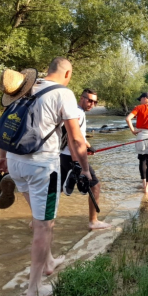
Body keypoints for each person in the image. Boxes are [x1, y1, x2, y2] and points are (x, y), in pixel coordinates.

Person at [0, 57, 91, 296]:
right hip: (42, 167)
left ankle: (49, 262)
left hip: (15, 162)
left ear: (47, 71)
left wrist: (3, 157)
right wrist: (85, 169)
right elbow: (76, 139)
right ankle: (33, 289)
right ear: (67, 73)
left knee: (40, 219)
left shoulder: (25, 87)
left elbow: (9, 125)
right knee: (43, 225)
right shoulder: (63, 93)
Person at [60, 88, 110, 230]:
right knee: (95, 186)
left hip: (62, 156)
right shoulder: (77, 113)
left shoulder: (75, 111)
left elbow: (79, 136)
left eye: (95, 102)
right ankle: (93, 221)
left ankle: (38, 221)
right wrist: (79, 163)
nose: (92, 104)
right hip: (71, 157)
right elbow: (72, 138)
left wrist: (88, 146)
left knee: (56, 189)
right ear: (81, 98)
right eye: (89, 100)